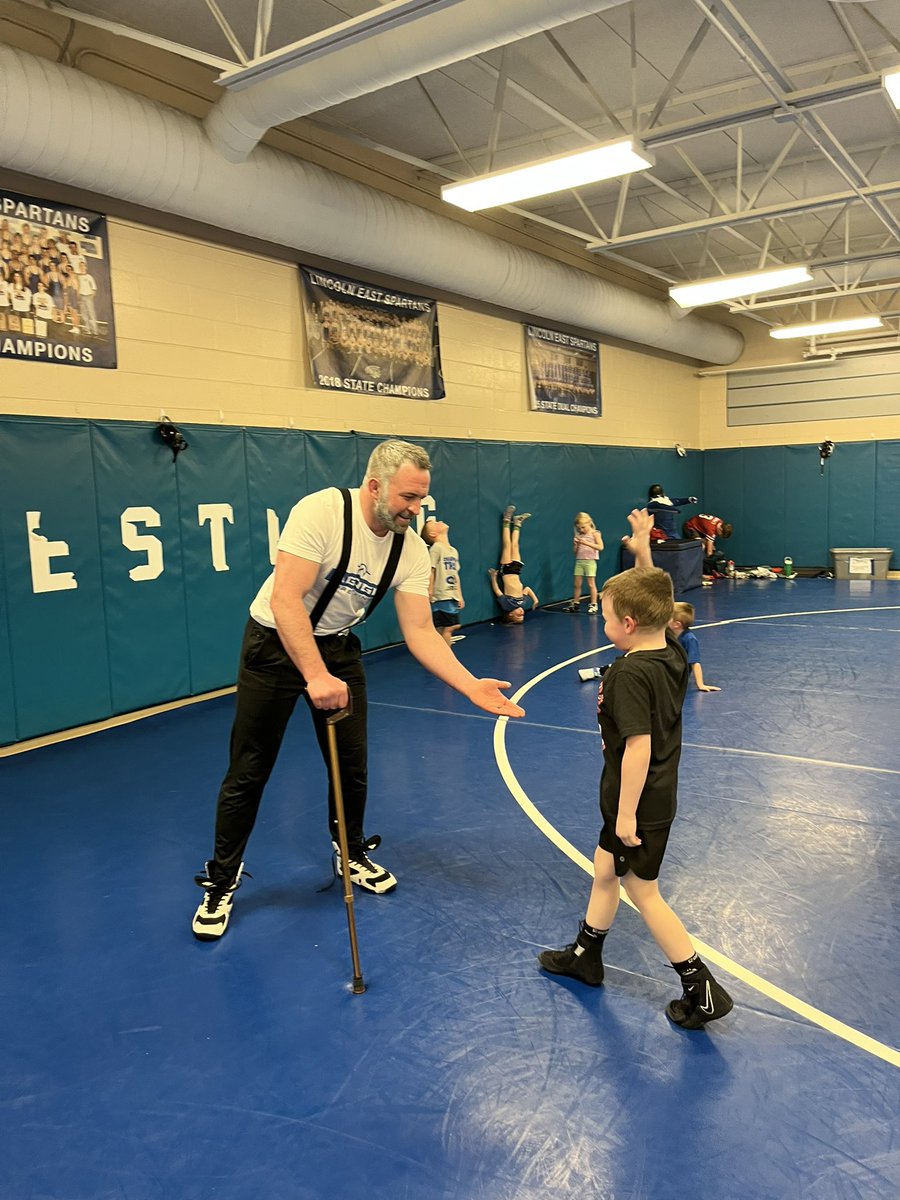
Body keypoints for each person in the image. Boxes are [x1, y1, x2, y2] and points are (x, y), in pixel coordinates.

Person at [192, 440, 525, 941]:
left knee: (351, 763)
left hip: (338, 647)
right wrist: (315, 675)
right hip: (275, 644)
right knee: (249, 768)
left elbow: (420, 631)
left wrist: (468, 685)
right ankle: (222, 879)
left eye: (421, 499)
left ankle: (349, 852)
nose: (415, 510)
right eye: (407, 498)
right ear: (374, 486)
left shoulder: (410, 549)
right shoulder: (322, 512)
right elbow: (285, 601)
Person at [538, 508, 733, 1030]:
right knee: (605, 870)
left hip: (638, 801)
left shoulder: (628, 673)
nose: (603, 627)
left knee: (642, 891)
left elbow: (637, 749)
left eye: (606, 619)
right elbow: (655, 601)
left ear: (627, 624)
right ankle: (586, 956)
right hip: (652, 795)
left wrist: (625, 816)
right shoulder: (670, 649)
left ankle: (701, 988)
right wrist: (643, 547)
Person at [488, 505, 539, 624]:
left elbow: (497, 591)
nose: (522, 613)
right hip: (516, 571)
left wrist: (493, 578)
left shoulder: (507, 605)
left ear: (511, 614)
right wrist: (535, 600)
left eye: (518, 616)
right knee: (515, 545)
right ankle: (517, 523)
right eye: (523, 616)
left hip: (506, 571)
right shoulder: (523, 602)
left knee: (507, 545)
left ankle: (506, 519)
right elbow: (527, 589)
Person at [421, 516, 465, 644]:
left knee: (444, 627)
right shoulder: (436, 548)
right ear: (433, 534)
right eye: (435, 523)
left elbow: (455, 575)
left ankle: (438, 649)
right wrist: (430, 590)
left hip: (451, 594)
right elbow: (431, 570)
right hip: (441, 595)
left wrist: (459, 595)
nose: (440, 521)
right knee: (450, 626)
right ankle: (446, 652)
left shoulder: (453, 551)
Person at [670, 602, 720, 692]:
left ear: (676, 624)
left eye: (667, 617)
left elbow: (695, 662)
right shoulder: (667, 633)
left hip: (677, 674)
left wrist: (700, 684)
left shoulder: (689, 639)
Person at [566, 511, 604, 614]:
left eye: (583, 527)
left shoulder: (595, 533)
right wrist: (576, 545)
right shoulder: (579, 535)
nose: (581, 530)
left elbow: (600, 547)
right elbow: (575, 552)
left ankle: (593, 604)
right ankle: (576, 603)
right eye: (579, 528)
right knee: (577, 584)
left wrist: (586, 543)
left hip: (590, 561)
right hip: (579, 561)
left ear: (589, 523)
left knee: (591, 584)